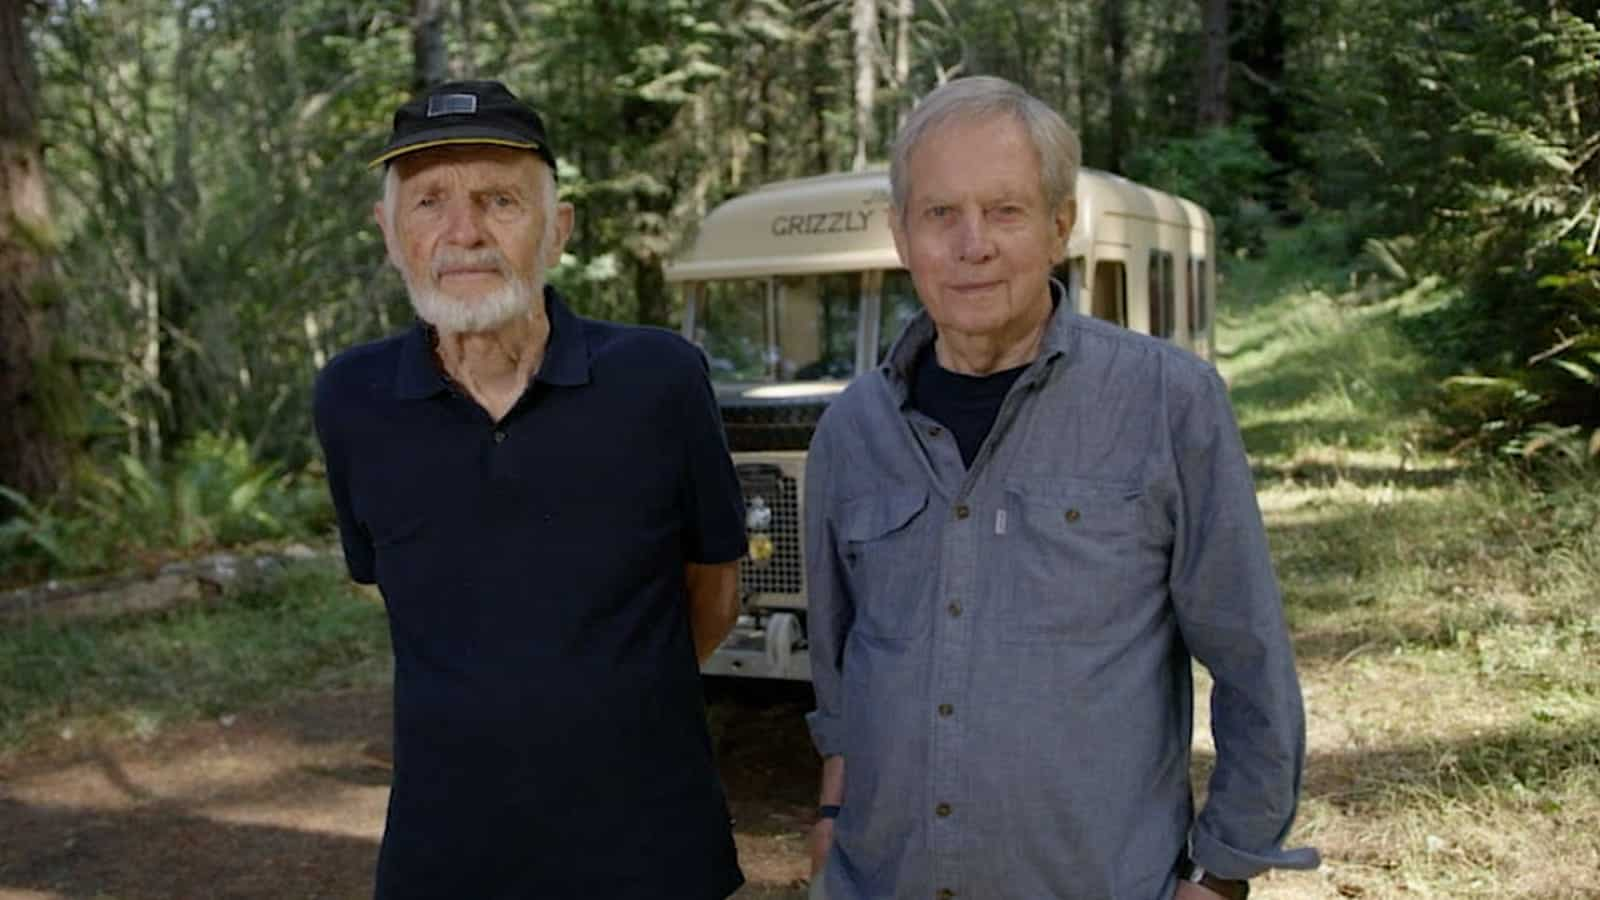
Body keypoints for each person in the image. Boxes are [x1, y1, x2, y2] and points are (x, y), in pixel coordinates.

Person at [802, 76, 1319, 900]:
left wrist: (1221, 875)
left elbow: (1252, 663)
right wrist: (831, 828)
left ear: (1059, 227)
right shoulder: (851, 430)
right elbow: (841, 669)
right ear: (901, 234)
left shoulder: (1167, 403)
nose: (972, 244)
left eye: (1004, 211)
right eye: (940, 214)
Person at [313, 80, 747, 900]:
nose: (464, 232)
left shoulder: (660, 381)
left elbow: (714, 591)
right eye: (429, 201)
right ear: (388, 235)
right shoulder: (351, 399)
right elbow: (405, 598)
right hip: (444, 858)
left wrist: (610, 704)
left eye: (500, 200)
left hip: (651, 851)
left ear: (558, 232)